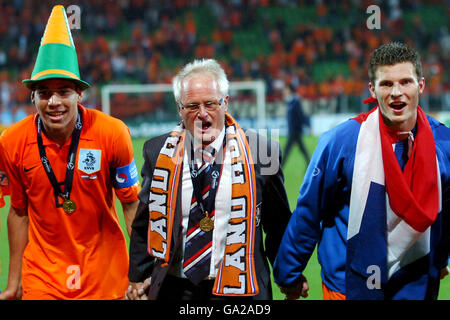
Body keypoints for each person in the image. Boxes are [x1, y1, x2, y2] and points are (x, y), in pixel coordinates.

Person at [274, 42, 449, 300]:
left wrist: (441, 255)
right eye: (386, 84)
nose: (396, 93)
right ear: (372, 89)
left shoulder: (444, 143)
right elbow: (309, 211)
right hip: (347, 288)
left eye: (405, 82)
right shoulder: (342, 141)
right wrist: (288, 273)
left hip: (415, 286)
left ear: (421, 85)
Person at [0, 5, 140, 300]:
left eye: (63, 91)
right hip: (42, 275)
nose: (54, 102)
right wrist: (14, 283)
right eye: (44, 93)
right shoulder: (11, 141)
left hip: (105, 273)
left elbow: (130, 204)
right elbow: (18, 211)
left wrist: (143, 271)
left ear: (79, 94)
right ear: (32, 96)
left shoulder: (112, 134)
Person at [126, 58, 291, 300]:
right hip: (176, 288)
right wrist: (138, 277)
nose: (203, 114)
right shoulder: (157, 151)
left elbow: (278, 226)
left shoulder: (261, 151)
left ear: (225, 102)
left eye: (210, 104)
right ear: (179, 109)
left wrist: (289, 278)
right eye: (192, 106)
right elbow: (145, 222)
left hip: (241, 289)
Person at [281, 83, 310, 166]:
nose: (284, 91)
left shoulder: (296, 101)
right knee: (301, 149)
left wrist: (306, 125)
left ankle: (279, 168)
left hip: (295, 130)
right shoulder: (290, 101)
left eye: (285, 89)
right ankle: (310, 164)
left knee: (287, 149)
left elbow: (301, 115)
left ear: (289, 90)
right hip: (293, 130)